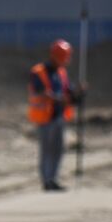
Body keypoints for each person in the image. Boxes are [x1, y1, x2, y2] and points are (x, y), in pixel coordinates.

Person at [27, 40, 81, 191]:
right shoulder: (38, 72)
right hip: (45, 118)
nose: (66, 60)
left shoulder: (61, 73)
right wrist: (59, 98)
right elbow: (41, 92)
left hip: (59, 116)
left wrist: (77, 92)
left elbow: (68, 92)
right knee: (47, 150)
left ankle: (53, 178)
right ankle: (47, 181)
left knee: (57, 149)